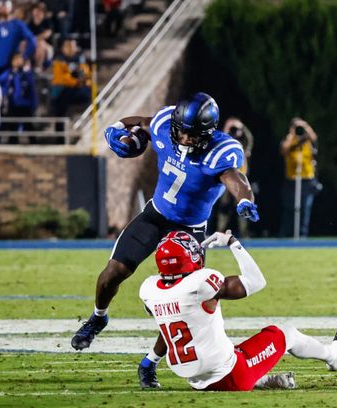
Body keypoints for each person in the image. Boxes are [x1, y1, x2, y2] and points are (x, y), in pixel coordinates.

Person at [70, 93, 260, 390]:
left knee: (181, 304)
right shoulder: (165, 124)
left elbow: (236, 179)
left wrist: (244, 199)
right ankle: (98, 318)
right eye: (180, 129)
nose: (183, 137)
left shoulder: (220, 151)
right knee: (113, 273)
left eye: (190, 133)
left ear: (207, 133)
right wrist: (116, 128)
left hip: (189, 231)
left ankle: (149, 363)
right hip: (155, 215)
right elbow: (141, 123)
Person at [140, 230, 337, 390]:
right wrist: (233, 243)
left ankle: (262, 379)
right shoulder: (202, 284)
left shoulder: (151, 290)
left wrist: (150, 360)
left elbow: (171, 324)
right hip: (231, 375)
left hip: (197, 382)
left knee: (233, 350)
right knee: (284, 332)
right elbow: (256, 281)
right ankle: (334, 357)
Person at [280, 117, 319, 238]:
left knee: (305, 208)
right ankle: (286, 234)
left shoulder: (307, 141)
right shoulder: (289, 140)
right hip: (292, 178)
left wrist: (305, 125)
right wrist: (292, 132)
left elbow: (314, 138)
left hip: (307, 178)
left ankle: (303, 235)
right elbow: (284, 149)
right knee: (290, 207)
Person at [216, 117, 254, 237]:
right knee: (224, 206)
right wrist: (227, 129)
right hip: (227, 180)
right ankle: (220, 229)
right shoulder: (225, 145)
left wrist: (242, 126)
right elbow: (219, 139)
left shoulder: (243, 146)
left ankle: (244, 231)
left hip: (241, 179)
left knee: (243, 206)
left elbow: (250, 140)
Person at [0, 0, 37, 74]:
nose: (3, 9)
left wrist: (24, 56)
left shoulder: (18, 24)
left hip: (11, 66)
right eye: (1, 6)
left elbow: (31, 40)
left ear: (11, 8)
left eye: (6, 6)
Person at [0, 53, 38, 140]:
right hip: (12, 104)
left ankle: (35, 147)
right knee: (12, 127)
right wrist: (5, 92)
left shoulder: (27, 74)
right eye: (15, 59)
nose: (18, 61)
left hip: (25, 105)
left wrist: (33, 104)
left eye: (20, 58)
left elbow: (32, 90)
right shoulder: (8, 73)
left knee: (29, 127)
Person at [49, 37, 90, 117]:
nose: (72, 48)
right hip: (62, 90)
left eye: (73, 46)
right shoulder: (59, 60)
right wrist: (77, 81)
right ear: (63, 48)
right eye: (69, 46)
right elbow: (61, 79)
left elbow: (85, 74)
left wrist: (83, 79)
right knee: (61, 101)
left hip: (78, 89)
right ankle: (60, 126)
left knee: (89, 92)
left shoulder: (80, 59)